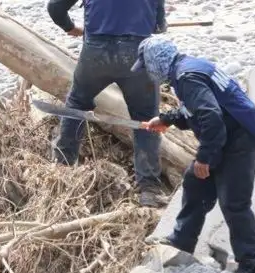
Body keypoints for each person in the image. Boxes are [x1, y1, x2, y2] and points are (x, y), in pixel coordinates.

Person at [135, 37, 255, 273]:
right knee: (195, 184)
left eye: (147, 67)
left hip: (239, 139)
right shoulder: (188, 69)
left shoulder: (187, 78)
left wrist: (205, 157)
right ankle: (182, 240)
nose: (148, 74)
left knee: (234, 202)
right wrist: (168, 119)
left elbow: (211, 117)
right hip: (227, 136)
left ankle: (252, 269)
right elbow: (197, 111)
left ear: (156, 61)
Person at [47, 0, 167, 208]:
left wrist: (70, 27)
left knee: (77, 104)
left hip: (96, 52)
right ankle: (149, 190)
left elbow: (55, 8)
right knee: (146, 118)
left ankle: (62, 169)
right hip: (136, 54)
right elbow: (159, 26)